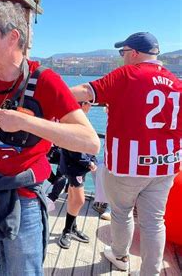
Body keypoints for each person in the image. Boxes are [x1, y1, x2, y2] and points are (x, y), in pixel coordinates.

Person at [0, 1, 100, 275]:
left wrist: (26, 121)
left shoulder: (46, 80)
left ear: (13, 37)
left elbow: (90, 141)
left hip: (25, 198)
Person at [70, 32, 182, 274]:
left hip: (128, 166)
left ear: (133, 53)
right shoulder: (176, 83)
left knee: (121, 213)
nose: (121, 58)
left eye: (123, 53)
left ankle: (120, 256)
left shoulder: (126, 75)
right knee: (154, 222)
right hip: (165, 166)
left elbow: (84, 91)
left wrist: (43, 96)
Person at [58, 101, 98, 249]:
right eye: (88, 103)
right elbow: (74, 148)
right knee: (79, 200)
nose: (91, 106)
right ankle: (67, 231)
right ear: (80, 105)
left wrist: (91, 159)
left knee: (73, 198)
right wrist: (89, 163)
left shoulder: (80, 121)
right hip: (74, 167)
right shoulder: (74, 124)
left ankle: (72, 227)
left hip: (78, 168)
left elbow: (89, 142)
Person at [45, 146, 67, 212]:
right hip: (61, 150)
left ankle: (52, 198)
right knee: (61, 174)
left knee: (61, 174)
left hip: (63, 151)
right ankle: (55, 182)